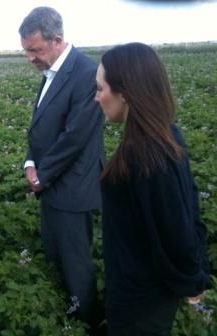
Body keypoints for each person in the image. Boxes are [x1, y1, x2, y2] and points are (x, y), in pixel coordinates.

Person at [95, 42, 212, 335]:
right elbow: (190, 205)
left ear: (124, 93)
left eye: (100, 89)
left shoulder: (145, 154)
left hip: (141, 297)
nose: (97, 98)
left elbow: (177, 228)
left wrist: (192, 279)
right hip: (140, 288)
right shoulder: (164, 135)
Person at [19, 7, 105, 325]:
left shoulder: (85, 73)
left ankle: (86, 321)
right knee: (56, 254)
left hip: (73, 188)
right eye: (25, 50)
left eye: (34, 50)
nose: (30, 57)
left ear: (57, 40)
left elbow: (74, 137)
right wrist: (30, 162)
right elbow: (40, 127)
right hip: (51, 183)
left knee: (76, 262)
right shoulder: (52, 71)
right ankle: (65, 313)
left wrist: (42, 175)